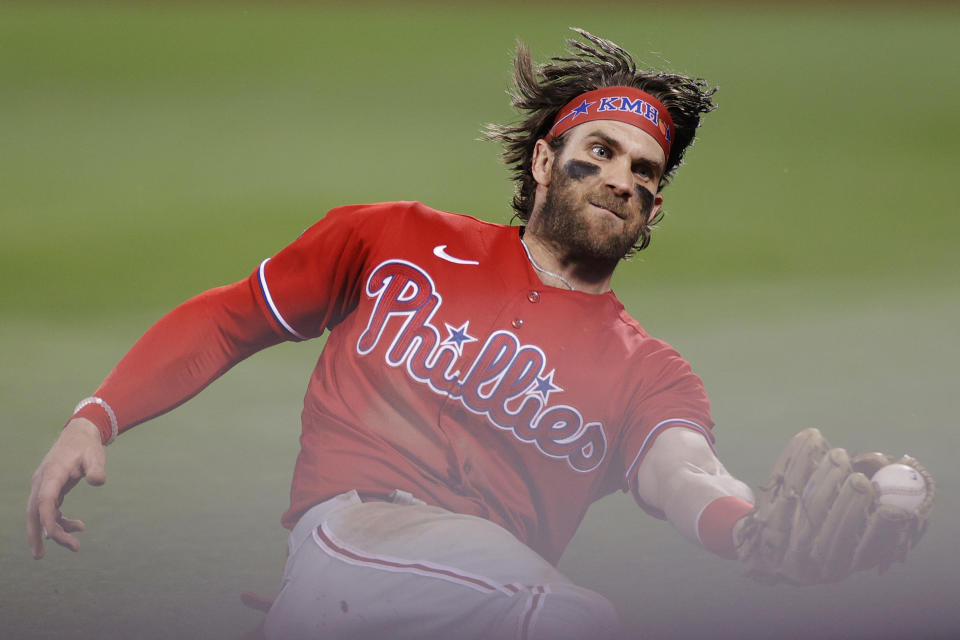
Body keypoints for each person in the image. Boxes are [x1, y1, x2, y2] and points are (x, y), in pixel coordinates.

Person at [25, 29, 929, 640]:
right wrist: (94, 417)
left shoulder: (646, 370)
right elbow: (232, 317)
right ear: (544, 158)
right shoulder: (392, 238)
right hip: (357, 543)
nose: (622, 177)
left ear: (654, 209)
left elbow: (682, 470)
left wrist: (753, 535)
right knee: (580, 622)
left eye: (645, 170)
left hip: (469, 611)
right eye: (602, 150)